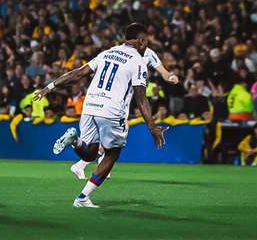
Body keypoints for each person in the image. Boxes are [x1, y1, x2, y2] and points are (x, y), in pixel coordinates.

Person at [34, 23, 167, 207]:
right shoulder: (138, 62)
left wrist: (49, 87)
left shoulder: (107, 53)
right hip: (111, 110)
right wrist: (152, 126)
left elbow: (78, 73)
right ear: (142, 40)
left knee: (89, 154)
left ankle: (74, 140)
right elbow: (141, 97)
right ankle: (82, 198)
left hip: (90, 106)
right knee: (112, 155)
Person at [69, 45, 178, 180]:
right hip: (115, 101)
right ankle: (91, 167)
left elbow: (164, 72)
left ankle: (88, 165)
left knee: (108, 138)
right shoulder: (120, 51)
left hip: (125, 99)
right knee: (111, 139)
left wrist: (170, 77)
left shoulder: (149, 53)